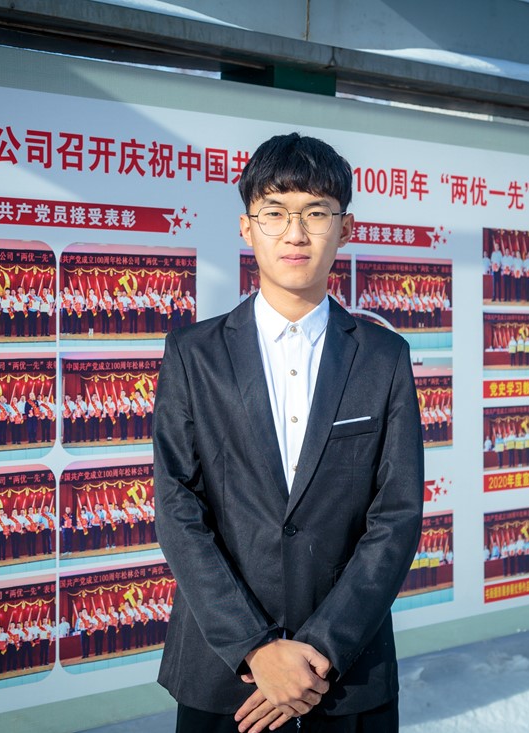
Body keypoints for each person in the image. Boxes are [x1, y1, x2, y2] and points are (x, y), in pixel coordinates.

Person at [153, 133, 423, 733]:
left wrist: (320, 650)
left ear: (345, 229)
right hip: (225, 676)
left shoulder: (384, 357)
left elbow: (397, 514)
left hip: (346, 675)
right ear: (247, 229)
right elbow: (177, 507)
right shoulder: (194, 354)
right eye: (274, 213)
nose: (295, 234)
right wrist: (255, 649)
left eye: (315, 214)